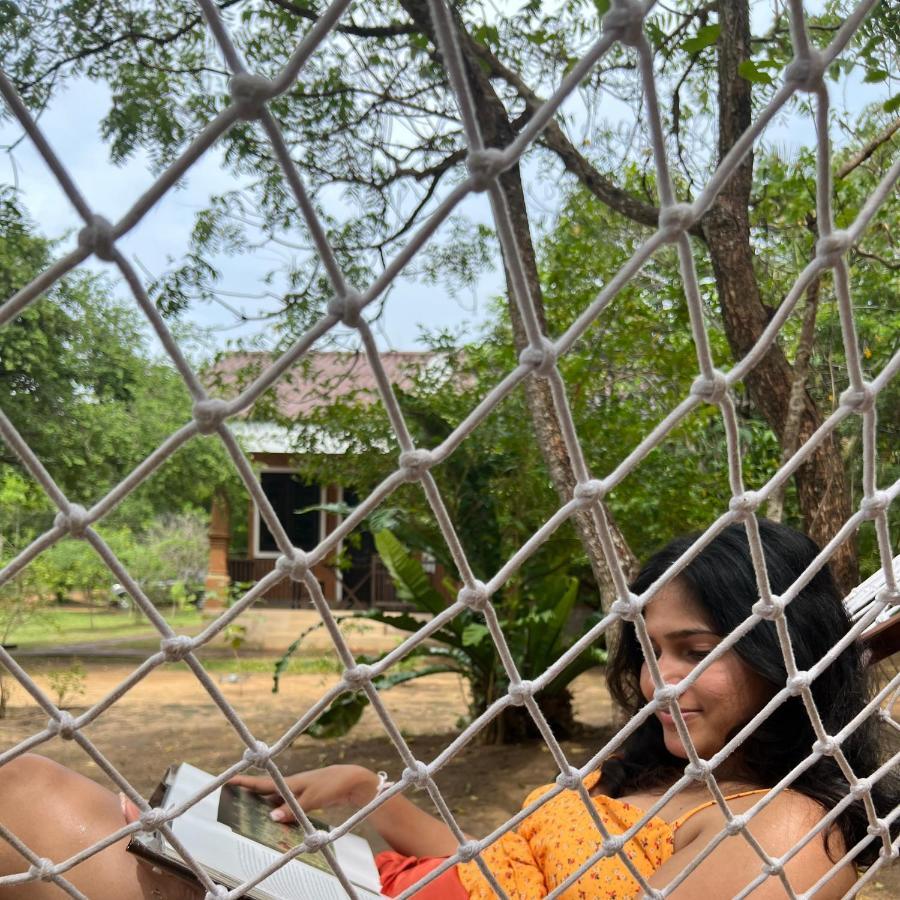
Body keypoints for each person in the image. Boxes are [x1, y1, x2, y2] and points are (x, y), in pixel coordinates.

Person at [0, 520, 895, 898]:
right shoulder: (664, 766)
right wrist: (368, 795)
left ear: (783, 652)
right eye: (652, 649)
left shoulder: (781, 829)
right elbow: (494, 867)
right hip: (379, 883)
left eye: (695, 654)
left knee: (28, 802)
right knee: (36, 799)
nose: (659, 681)